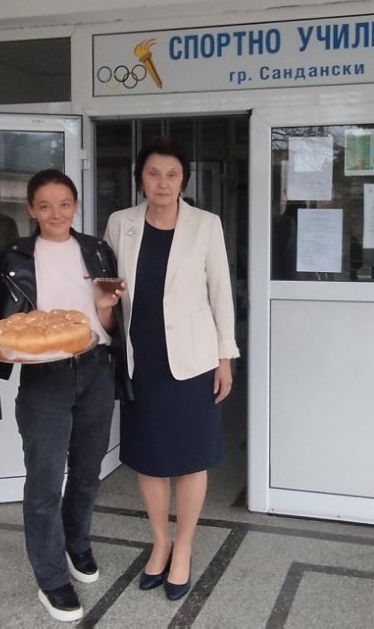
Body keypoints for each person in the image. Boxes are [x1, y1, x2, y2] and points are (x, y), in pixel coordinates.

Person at [0, 169, 128, 622]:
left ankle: (76, 543)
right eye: (45, 206)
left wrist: (105, 309)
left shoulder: (98, 251)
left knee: (86, 471)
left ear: (76, 205)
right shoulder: (13, 258)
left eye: (64, 204)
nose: (56, 213)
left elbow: (110, 323)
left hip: (95, 371)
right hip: (45, 379)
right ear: (31, 209)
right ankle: (51, 577)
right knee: (44, 480)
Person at [103, 137, 239, 601]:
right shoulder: (121, 223)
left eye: (172, 174)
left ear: (184, 180)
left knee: (191, 457)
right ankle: (160, 542)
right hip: (141, 360)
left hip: (194, 360)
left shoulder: (206, 225)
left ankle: (184, 546)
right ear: (140, 179)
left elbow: (221, 294)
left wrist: (224, 358)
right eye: (153, 174)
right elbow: (108, 288)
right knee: (150, 457)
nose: (162, 183)